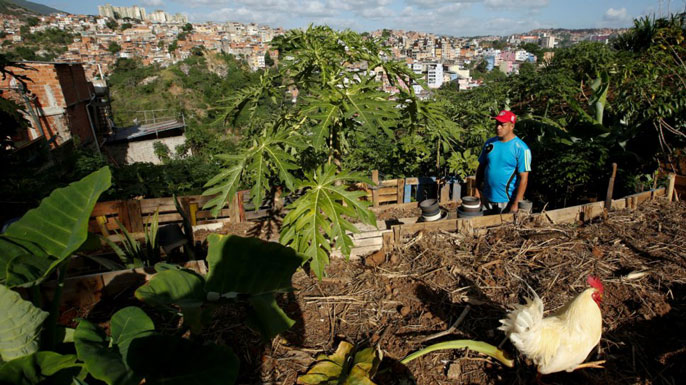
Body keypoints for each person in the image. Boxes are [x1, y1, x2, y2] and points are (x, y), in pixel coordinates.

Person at [475, 110, 531, 214]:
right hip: (487, 197)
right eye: (497, 124)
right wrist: (477, 190)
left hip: (506, 200)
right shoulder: (490, 143)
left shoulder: (521, 148)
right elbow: (481, 167)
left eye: (502, 124)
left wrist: (516, 203)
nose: (498, 127)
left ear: (512, 126)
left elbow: (524, 178)